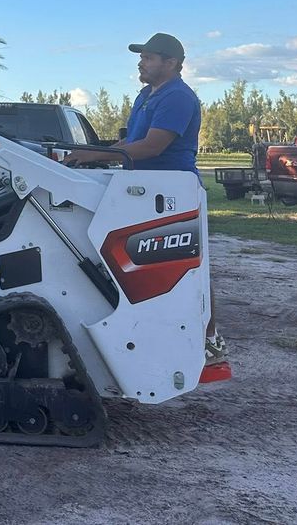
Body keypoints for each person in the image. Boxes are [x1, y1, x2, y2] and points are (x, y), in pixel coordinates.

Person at [62, 33, 226, 365]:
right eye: (142, 57)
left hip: (171, 192)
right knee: (139, 263)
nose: (141, 62)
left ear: (172, 63)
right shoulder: (146, 94)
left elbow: (152, 147)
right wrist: (97, 152)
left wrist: (94, 154)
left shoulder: (177, 97)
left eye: (149, 57)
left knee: (189, 269)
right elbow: (133, 140)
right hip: (143, 189)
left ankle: (209, 340)